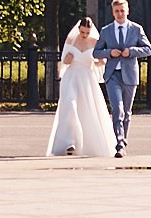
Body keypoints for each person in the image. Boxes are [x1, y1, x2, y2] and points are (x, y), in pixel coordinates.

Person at [94, 0, 151, 159]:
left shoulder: (136, 29)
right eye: (116, 11)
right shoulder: (106, 31)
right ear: (113, 12)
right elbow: (96, 52)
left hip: (129, 74)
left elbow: (148, 49)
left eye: (122, 11)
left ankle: (123, 142)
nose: (119, 14)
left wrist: (131, 51)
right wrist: (109, 53)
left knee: (126, 112)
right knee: (117, 109)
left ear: (127, 11)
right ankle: (119, 143)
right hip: (113, 75)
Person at [47, 18, 111, 159]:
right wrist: (68, 59)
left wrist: (99, 61)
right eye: (82, 32)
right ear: (79, 29)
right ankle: (69, 141)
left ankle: (86, 142)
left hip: (87, 77)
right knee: (70, 104)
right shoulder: (71, 40)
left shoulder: (95, 41)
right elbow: (64, 61)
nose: (84, 35)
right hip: (72, 76)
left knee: (87, 109)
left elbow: (101, 62)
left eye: (87, 32)